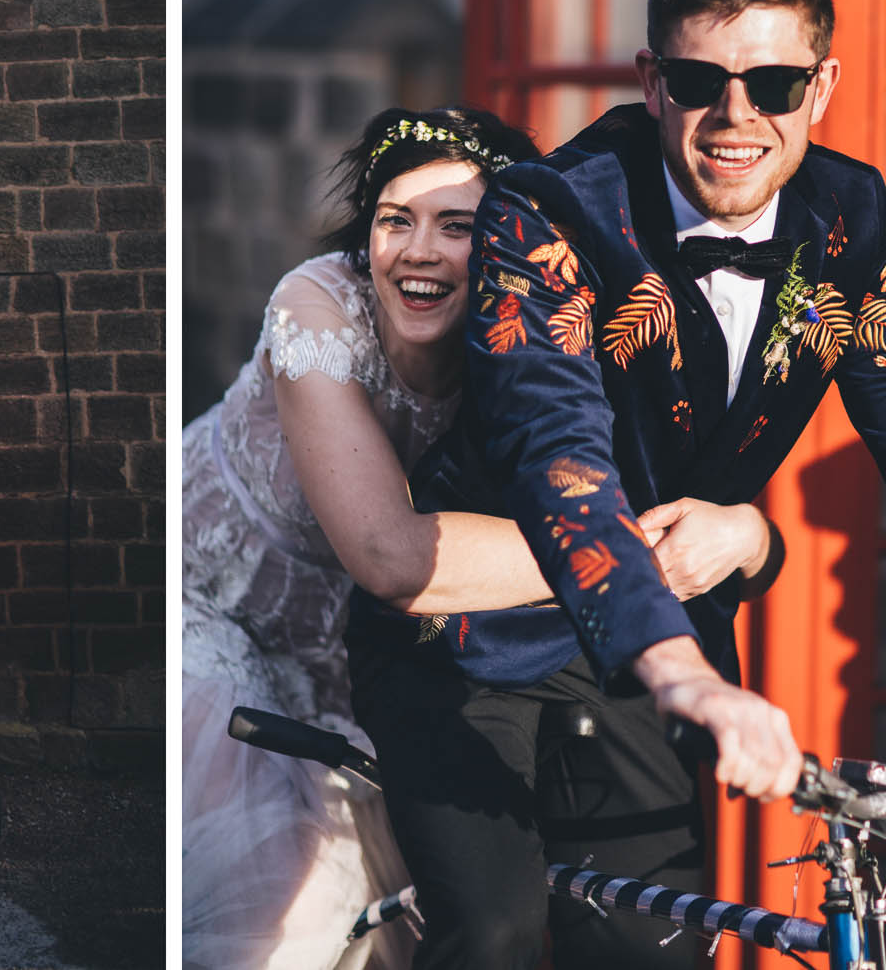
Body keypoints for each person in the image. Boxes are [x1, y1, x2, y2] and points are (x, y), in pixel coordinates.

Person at [348, 0, 886, 969]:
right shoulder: (544, 213)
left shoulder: (846, 220)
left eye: (772, 83)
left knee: (657, 950)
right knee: (493, 934)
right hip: (470, 646)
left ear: (818, 88)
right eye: (699, 79)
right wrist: (687, 675)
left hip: (646, 660)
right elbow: (561, 458)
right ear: (650, 81)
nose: (735, 118)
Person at [182, 105, 784, 970]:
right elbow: (391, 556)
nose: (418, 250)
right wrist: (616, 564)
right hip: (215, 616)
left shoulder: (532, 334)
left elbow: (655, 481)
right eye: (396, 221)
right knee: (291, 918)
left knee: (448, 911)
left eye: (456, 226)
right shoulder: (316, 308)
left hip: (360, 655)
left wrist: (750, 532)